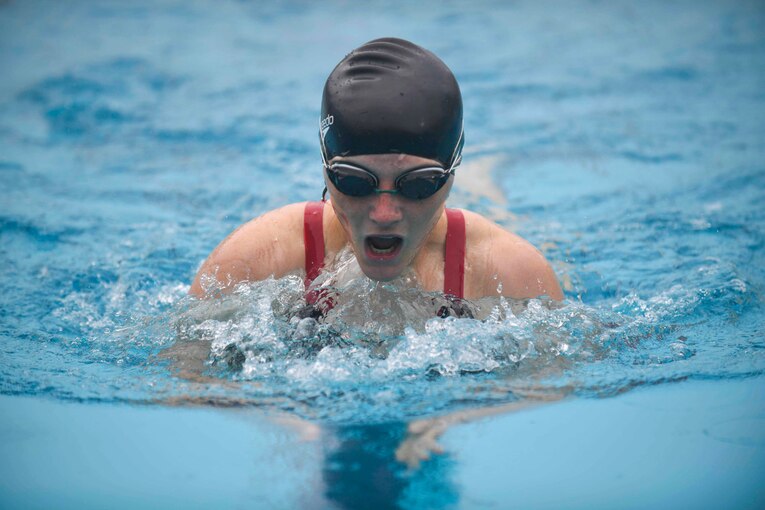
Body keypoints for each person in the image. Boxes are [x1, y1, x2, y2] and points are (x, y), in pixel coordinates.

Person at [190, 37, 563, 309]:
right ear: (324, 169)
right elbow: (186, 387)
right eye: (354, 181)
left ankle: (485, 175)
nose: (384, 214)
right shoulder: (252, 261)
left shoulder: (513, 275)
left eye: (418, 185)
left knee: (508, 219)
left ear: (451, 173)